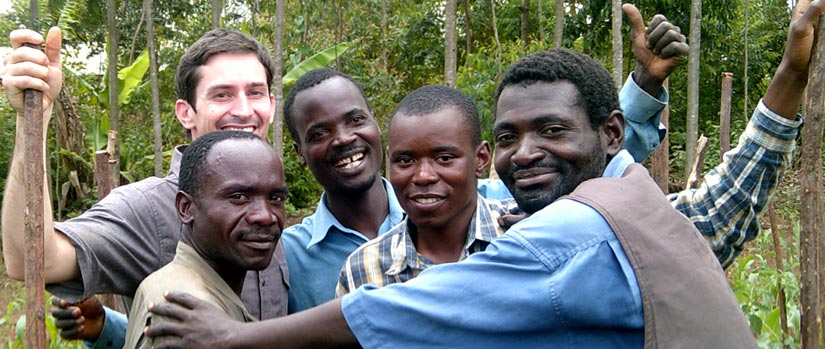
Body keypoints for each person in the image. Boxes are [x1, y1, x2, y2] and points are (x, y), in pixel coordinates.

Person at [142, 1, 820, 346]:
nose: (525, 153)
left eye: (443, 157)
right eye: (408, 161)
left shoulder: (538, 226)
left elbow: (711, 206)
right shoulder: (307, 256)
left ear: (472, 166)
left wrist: (234, 340)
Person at [281, 4, 687, 313]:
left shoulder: (516, 219)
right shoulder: (292, 254)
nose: (343, 139)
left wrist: (645, 84)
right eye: (319, 133)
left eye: (355, 120)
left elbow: (582, 164)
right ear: (298, 153)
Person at [1, 28, 289, 348]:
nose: (244, 110)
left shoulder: (271, 207)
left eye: (255, 93)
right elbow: (32, 260)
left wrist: (108, 328)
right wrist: (35, 119)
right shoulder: (149, 209)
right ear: (185, 112)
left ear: (272, 104)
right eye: (222, 94)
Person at [336, 85, 515, 295]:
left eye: (444, 159)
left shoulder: (526, 233)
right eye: (405, 161)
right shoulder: (363, 270)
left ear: (481, 159)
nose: (423, 176)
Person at [124, 131, 288, 349]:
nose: (265, 216)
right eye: (239, 197)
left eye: (275, 198)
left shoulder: (207, 302)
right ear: (186, 208)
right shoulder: (185, 315)